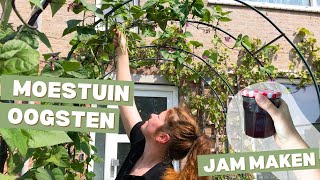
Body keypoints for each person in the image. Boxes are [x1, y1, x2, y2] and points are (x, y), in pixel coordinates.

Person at [113, 30, 320, 180]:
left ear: (162, 137)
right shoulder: (140, 145)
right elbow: (125, 99)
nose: (151, 115)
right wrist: (122, 53)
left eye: (158, 117)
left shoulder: (160, 177)